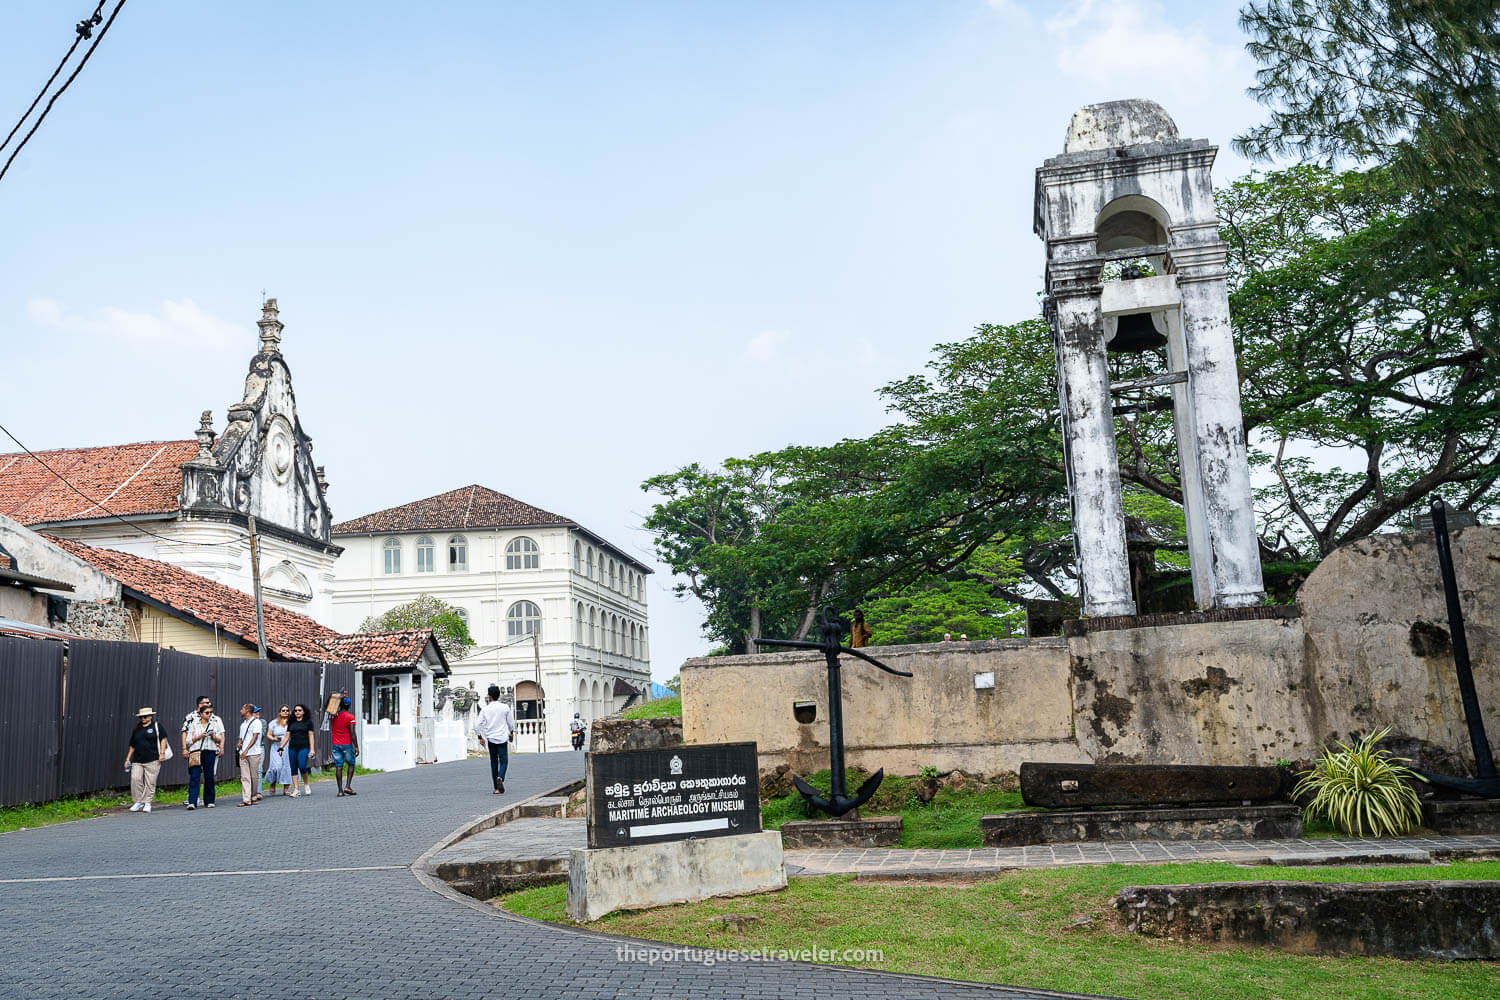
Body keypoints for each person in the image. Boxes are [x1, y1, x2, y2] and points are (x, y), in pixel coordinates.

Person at [124, 707, 169, 813]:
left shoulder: (156, 726)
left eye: (145, 716)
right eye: (141, 717)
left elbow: (163, 739)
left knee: (150, 781)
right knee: (135, 779)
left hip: (153, 759)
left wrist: (162, 753)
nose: (143, 718)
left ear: (150, 716)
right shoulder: (137, 729)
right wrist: (127, 759)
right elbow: (132, 745)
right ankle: (138, 801)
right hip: (137, 760)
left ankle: (147, 803)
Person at [183, 699, 225, 810]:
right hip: (196, 751)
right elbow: (188, 741)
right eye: (207, 713)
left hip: (210, 750)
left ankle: (210, 800)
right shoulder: (193, 724)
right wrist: (199, 736)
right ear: (200, 714)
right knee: (195, 776)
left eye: (210, 712)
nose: (209, 715)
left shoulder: (214, 723)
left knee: (209, 776)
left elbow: (220, 738)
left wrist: (213, 736)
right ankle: (192, 801)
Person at [475, 684, 516, 794]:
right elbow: (511, 724)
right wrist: (511, 733)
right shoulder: (505, 708)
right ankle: (501, 777)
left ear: (489, 696)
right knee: (504, 761)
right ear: (498, 696)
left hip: (491, 738)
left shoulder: (485, 710)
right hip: (502, 738)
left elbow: (477, 725)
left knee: (494, 762)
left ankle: (497, 788)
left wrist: (480, 737)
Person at [329, 696, 360, 796]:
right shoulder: (350, 717)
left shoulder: (333, 716)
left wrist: (336, 697)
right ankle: (347, 786)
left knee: (339, 766)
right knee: (351, 764)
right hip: (346, 745)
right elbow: (352, 733)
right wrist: (356, 746)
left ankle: (340, 791)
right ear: (349, 706)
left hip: (335, 745)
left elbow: (328, 706)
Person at [235, 704, 264, 806]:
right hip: (242, 753)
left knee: (254, 776)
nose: (240, 710)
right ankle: (246, 799)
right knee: (245, 777)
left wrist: (246, 750)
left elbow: (255, 737)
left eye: (242, 709)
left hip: (254, 753)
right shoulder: (243, 724)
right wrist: (239, 743)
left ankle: (253, 797)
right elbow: (242, 737)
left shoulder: (257, 722)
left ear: (247, 710)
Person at [286, 703, 316, 797]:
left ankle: (306, 784)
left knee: (302, 766)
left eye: (299, 710)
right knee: (293, 768)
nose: (297, 712)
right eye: (295, 710)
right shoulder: (291, 722)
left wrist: (312, 749)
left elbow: (311, 736)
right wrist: (281, 747)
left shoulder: (308, 722)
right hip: (292, 747)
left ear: (303, 712)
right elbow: (287, 736)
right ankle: (296, 789)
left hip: (304, 747)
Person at [263, 706, 293, 796]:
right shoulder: (274, 723)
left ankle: (286, 788)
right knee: (276, 767)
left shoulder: (292, 722)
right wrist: (273, 738)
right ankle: (273, 783)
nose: (285, 712)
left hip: (288, 746)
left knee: (287, 766)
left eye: (287, 710)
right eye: (283, 710)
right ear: (280, 712)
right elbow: (268, 734)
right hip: (276, 746)